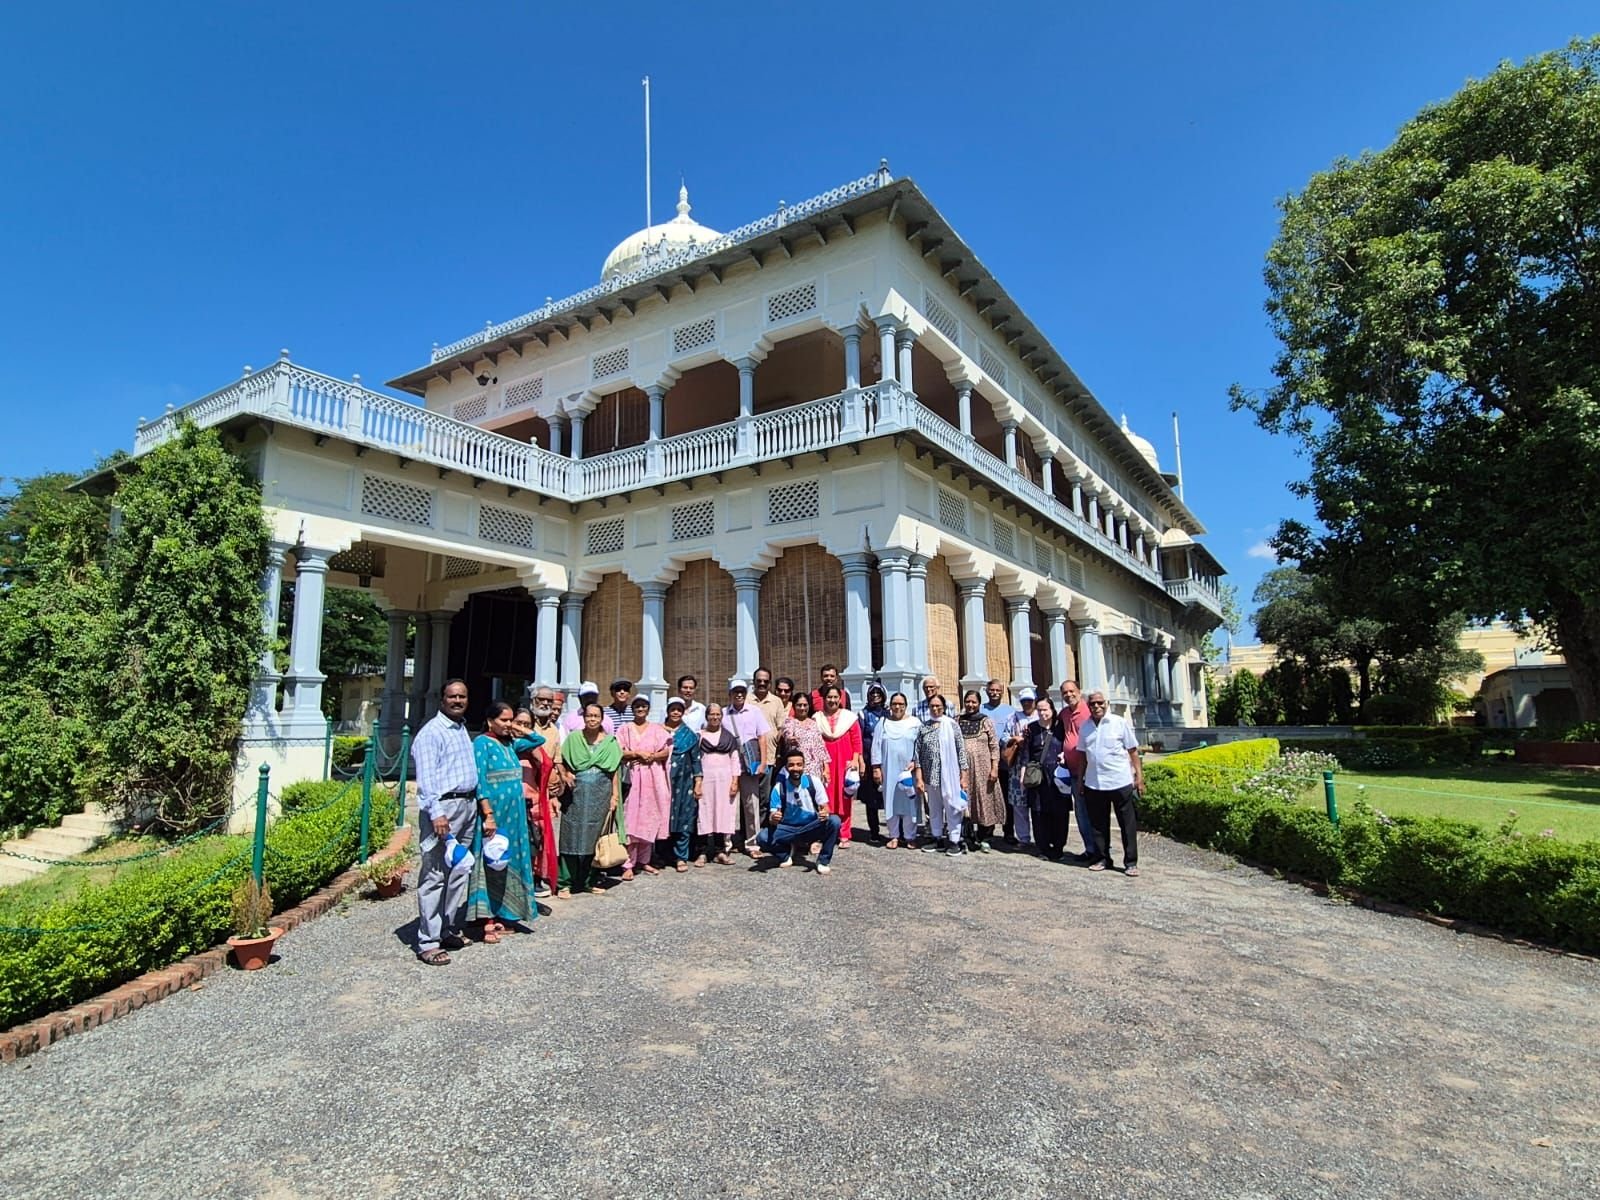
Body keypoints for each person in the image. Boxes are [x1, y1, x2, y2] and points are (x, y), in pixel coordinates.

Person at [411, 678, 477, 965]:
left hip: (467, 804)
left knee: (459, 871)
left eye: (462, 696)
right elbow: (425, 781)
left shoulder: (460, 728)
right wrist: (435, 812)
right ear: (442, 700)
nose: (458, 701)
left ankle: (447, 928)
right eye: (452, 697)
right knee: (435, 875)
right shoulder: (431, 733)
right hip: (444, 810)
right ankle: (428, 941)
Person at [465, 700, 538, 941]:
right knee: (490, 861)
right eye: (504, 720)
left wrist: (519, 728)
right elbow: (480, 781)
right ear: (489, 721)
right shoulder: (482, 743)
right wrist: (488, 815)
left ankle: (508, 912)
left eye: (511, 720)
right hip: (494, 814)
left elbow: (538, 741)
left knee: (511, 860)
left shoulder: (511, 745)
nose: (508, 725)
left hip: (514, 814)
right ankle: (487, 918)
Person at [556, 703, 621, 897]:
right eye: (589, 716)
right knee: (571, 835)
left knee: (595, 837)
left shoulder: (610, 742)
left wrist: (615, 796)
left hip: (601, 793)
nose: (592, 719)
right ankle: (565, 883)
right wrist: (566, 774)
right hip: (576, 794)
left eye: (596, 716)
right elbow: (562, 761)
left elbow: (615, 770)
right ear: (583, 718)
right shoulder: (574, 739)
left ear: (602, 719)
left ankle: (589, 880)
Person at [1080, 690, 1143, 875]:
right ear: (1088, 706)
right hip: (1094, 783)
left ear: (1106, 703)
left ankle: (1131, 862)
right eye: (1093, 704)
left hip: (1119, 781)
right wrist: (1079, 781)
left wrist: (1139, 777)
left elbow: (1132, 751)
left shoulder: (1119, 723)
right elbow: (1083, 756)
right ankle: (1102, 858)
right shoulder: (1085, 727)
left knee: (1127, 825)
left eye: (1100, 703)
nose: (1097, 706)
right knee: (1098, 825)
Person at [757, 748, 842, 873]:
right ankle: (785, 855)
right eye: (791, 765)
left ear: (804, 766)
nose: (795, 768)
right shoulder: (779, 788)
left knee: (834, 821)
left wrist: (824, 813)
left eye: (799, 764)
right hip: (788, 829)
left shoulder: (814, 782)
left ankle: (823, 861)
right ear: (786, 767)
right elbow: (772, 819)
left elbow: (825, 808)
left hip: (810, 827)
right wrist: (774, 818)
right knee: (762, 837)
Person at [617, 695, 671, 879]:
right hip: (633, 777)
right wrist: (637, 753)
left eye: (643, 706)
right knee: (631, 820)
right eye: (637, 706)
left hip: (653, 778)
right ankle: (628, 864)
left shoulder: (657, 729)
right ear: (633, 709)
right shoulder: (625, 729)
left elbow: (666, 751)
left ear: (648, 709)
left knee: (650, 817)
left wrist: (653, 757)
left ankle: (644, 861)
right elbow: (619, 751)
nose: (640, 709)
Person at [511, 700, 560, 898]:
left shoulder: (532, 748)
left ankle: (533, 879)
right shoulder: (507, 746)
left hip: (533, 801)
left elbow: (545, 762)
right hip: (511, 803)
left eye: (526, 724)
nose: (521, 728)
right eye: (517, 723)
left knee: (534, 843)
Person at [913, 693, 971, 856]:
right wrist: (919, 776)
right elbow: (917, 753)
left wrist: (964, 775)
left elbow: (961, 751)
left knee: (952, 807)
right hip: (931, 777)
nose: (935, 709)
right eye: (932, 706)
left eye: (938, 706)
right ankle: (937, 837)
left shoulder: (952, 725)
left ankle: (954, 840)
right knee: (934, 808)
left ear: (944, 708)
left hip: (950, 777)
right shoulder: (924, 727)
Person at [1011, 697, 1067, 859]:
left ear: (1052, 710)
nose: (1042, 713)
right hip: (1037, 775)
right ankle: (1042, 847)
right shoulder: (1032, 728)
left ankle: (1058, 848)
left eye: (1045, 710)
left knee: (1059, 812)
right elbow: (1026, 754)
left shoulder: (1060, 727)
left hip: (1057, 775)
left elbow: (1067, 745)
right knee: (1039, 812)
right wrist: (1023, 776)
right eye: (1040, 710)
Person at [723, 680, 773, 856]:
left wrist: (763, 762)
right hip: (729, 765)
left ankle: (752, 843)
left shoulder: (755, 711)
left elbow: (762, 738)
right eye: (735, 692)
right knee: (728, 805)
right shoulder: (723, 714)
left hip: (750, 764)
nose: (739, 695)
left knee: (752, 804)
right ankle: (727, 843)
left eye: (742, 691)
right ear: (729, 694)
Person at [1055, 680, 1100, 864]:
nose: (1069, 695)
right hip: (1073, 771)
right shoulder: (1064, 714)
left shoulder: (1089, 711)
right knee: (1081, 812)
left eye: (1071, 691)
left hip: (1091, 772)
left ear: (1079, 691)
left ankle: (1100, 851)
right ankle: (1090, 849)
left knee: (1095, 812)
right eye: (1065, 692)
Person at [957, 689, 1006, 852]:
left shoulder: (986, 721)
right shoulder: (957, 720)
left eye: (974, 702)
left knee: (985, 801)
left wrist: (994, 768)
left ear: (979, 704)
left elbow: (994, 745)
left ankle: (985, 837)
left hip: (984, 769)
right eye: (968, 702)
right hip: (963, 770)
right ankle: (968, 836)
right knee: (966, 801)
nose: (970, 705)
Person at [870, 693, 921, 847]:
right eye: (894, 704)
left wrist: (916, 762)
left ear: (906, 705)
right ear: (890, 705)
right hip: (888, 768)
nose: (897, 707)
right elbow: (876, 746)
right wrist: (876, 768)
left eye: (901, 704)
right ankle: (893, 835)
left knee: (910, 802)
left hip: (908, 770)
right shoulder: (883, 723)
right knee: (891, 801)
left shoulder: (915, 723)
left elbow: (920, 746)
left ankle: (910, 836)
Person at [815, 683, 863, 844]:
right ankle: (827, 831)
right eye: (829, 697)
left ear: (840, 698)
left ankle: (845, 833)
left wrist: (856, 759)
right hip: (825, 760)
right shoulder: (817, 718)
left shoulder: (849, 718)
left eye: (835, 697)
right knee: (825, 795)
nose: (832, 700)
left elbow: (856, 740)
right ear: (824, 698)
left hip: (845, 760)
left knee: (844, 796)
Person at [694, 701, 740, 865]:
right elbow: (695, 760)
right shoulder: (699, 736)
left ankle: (721, 851)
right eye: (711, 714)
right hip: (706, 780)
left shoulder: (729, 737)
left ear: (722, 716)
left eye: (718, 714)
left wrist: (735, 781)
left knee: (722, 813)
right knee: (704, 812)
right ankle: (702, 852)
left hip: (724, 780)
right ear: (706, 716)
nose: (715, 717)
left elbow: (735, 760)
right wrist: (697, 782)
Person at [663, 697, 703, 872]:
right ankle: (663, 855)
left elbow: (696, 761)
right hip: (662, 781)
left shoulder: (689, 735)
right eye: (673, 709)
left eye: (679, 709)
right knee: (663, 817)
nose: (676, 712)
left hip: (684, 781)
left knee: (684, 818)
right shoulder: (658, 732)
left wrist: (698, 782)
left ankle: (681, 857)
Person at [980, 678, 1017, 842]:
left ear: (1003, 692)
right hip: (985, 761)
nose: (994, 693)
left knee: (1006, 796)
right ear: (987, 691)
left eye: (998, 690)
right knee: (987, 796)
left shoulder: (1010, 711)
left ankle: (1008, 831)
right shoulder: (981, 709)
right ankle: (986, 829)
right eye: (992, 690)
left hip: (1004, 762)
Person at [1003, 688, 1040, 848]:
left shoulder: (1041, 716)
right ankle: (1023, 838)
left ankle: (1041, 838)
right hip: (1017, 766)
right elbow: (1003, 737)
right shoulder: (1013, 717)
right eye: (1024, 701)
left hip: (1036, 765)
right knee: (1019, 805)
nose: (1027, 704)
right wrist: (1015, 738)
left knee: (1038, 804)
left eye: (1029, 701)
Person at [778, 690, 830, 791]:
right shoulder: (790, 722)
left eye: (805, 705)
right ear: (794, 706)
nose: (802, 708)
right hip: (799, 767)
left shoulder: (813, 723)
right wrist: (789, 739)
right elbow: (787, 734)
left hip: (815, 768)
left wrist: (826, 767)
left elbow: (821, 746)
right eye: (799, 705)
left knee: (814, 796)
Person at [856, 684, 889, 843]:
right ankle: (874, 831)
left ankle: (895, 832)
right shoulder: (863, 715)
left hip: (888, 761)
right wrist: (861, 761)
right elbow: (859, 740)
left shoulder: (888, 713)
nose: (875, 695)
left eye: (878, 692)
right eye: (872, 693)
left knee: (889, 797)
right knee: (871, 800)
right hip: (869, 762)